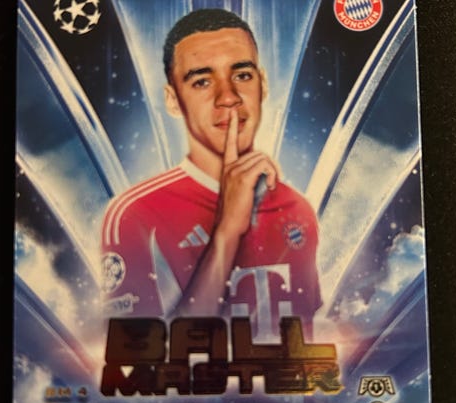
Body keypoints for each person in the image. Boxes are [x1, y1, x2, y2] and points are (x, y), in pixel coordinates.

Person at [100, 8, 321, 341]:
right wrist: (227, 230)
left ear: (262, 85)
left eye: (242, 75)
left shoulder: (297, 209)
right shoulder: (134, 215)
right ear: (173, 100)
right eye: (202, 81)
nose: (228, 97)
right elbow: (139, 361)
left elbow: (308, 342)